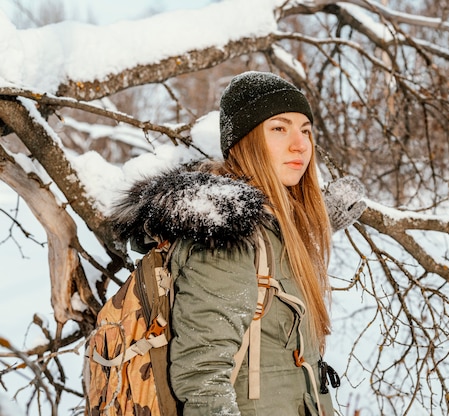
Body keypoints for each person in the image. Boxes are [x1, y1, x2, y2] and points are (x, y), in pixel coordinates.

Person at [109, 71, 366, 415]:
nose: (300, 144)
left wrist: (317, 222)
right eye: (279, 128)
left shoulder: (267, 226)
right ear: (245, 141)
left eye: (305, 130)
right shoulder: (226, 239)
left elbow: (271, 270)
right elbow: (203, 379)